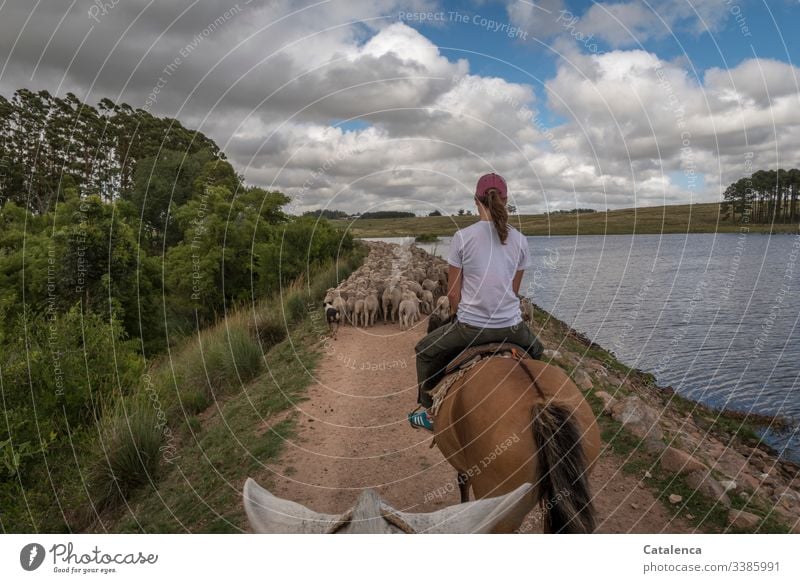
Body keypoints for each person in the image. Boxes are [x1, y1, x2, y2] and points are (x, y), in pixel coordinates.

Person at [408, 173, 544, 431]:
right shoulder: (521, 240)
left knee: (425, 351)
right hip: (512, 328)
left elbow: (453, 295)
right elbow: (513, 292)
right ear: (505, 200)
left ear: (475, 201)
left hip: (471, 327)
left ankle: (428, 412)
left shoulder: (462, 237)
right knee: (538, 351)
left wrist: (462, 317)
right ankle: (545, 403)